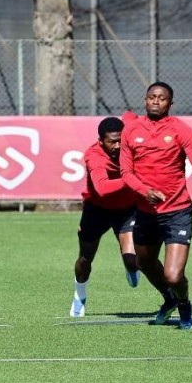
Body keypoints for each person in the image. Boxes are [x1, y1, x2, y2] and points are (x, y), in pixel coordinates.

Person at [120, 82, 192, 330]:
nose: (156, 101)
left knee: (173, 275)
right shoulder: (131, 130)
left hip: (177, 212)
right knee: (143, 263)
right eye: (152, 97)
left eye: (162, 98)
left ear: (170, 103)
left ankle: (184, 303)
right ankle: (169, 299)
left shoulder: (181, 130)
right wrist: (144, 191)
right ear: (145, 100)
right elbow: (125, 171)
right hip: (145, 213)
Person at [71, 116, 140, 317]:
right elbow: (101, 188)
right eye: (112, 141)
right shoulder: (94, 156)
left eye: (120, 140)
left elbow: (132, 117)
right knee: (85, 260)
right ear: (101, 141)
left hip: (127, 210)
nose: (117, 145)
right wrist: (130, 179)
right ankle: (79, 295)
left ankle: (131, 269)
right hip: (96, 210)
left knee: (132, 259)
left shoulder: (131, 147)